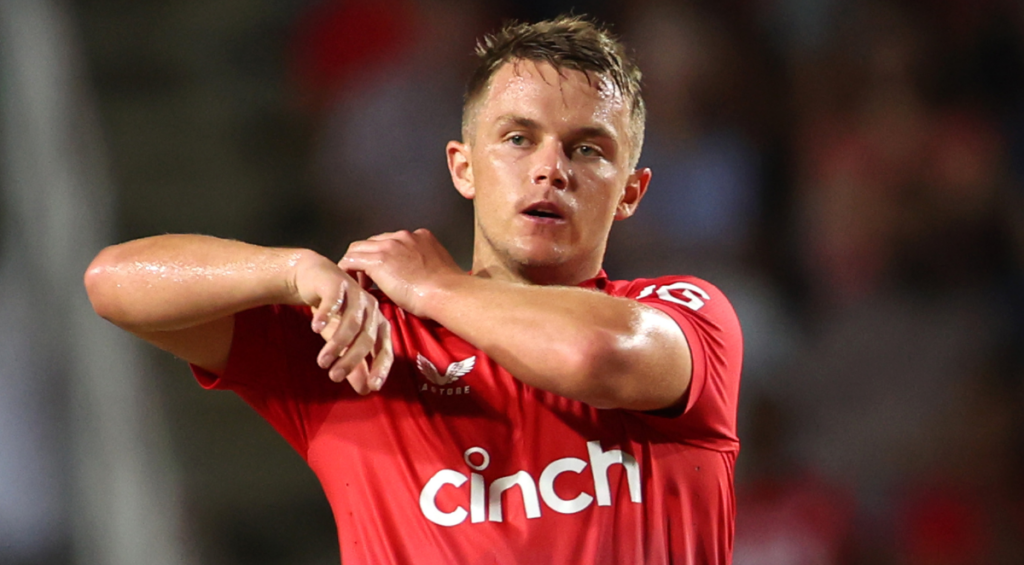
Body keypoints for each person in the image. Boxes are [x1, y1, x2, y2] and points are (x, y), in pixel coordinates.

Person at [85, 16, 742, 565]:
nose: (550, 169)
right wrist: (293, 269)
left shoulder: (688, 312)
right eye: (518, 138)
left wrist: (437, 287)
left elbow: (596, 354)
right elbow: (113, 282)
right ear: (463, 166)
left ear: (630, 191)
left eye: (588, 150)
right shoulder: (364, 340)